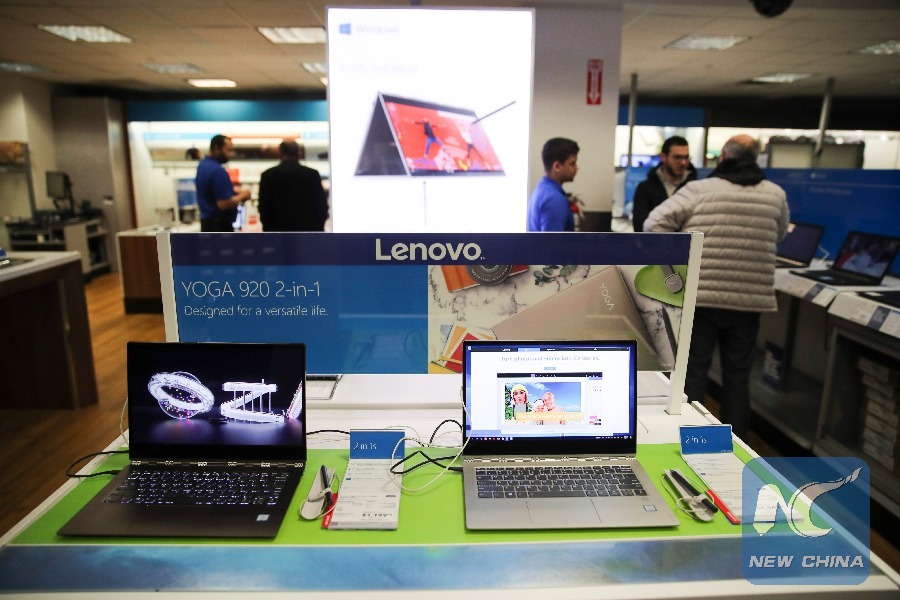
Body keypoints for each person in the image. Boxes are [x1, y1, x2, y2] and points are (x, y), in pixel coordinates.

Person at [644, 134, 789, 438]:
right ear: (756, 158)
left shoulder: (699, 190)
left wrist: (675, 266)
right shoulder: (775, 194)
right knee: (737, 378)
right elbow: (779, 235)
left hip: (702, 298)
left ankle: (690, 439)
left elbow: (653, 224)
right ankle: (735, 445)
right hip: (748, 301)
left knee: (694, 373)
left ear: (723, 156)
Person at [257, 139, 329, 232]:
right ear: (299, 153)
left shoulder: (268, 175)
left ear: (280, 154)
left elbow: (264, 208)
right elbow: (321, 204)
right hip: (308, 230)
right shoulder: (312, 174)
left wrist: (269, 228)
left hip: (278, 231)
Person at [631, 135, 697, 233]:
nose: (683, 163)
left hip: (687, 242)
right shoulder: (645, 188)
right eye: (677, 157)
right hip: (654, 241)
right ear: (663, 157)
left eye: (686, 157)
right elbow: (640, 226)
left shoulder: (695, 189)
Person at [195, 134, 251, 232]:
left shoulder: (203, 166)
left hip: (207, 223)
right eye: (228, 150)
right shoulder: (217, 171)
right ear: (217, 148)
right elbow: (223, 203)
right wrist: (243, 195)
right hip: (219, 226)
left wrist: (233, 193)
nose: (231, 154)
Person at [526, 137, 579, 232]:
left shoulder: (541, 190)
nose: (577, 168)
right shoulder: (554, 199)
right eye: (572, 164)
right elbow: (552, 241)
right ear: (557, 166)